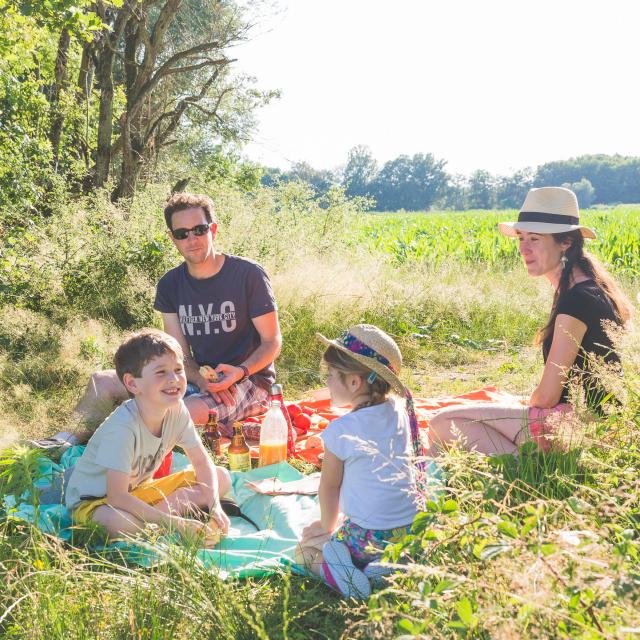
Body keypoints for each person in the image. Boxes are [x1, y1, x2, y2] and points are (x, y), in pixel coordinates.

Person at [429, 186, 633, 455]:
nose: (523, 248)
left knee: (441, 422)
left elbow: (547, 396)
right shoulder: (587, 287)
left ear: (566, 243)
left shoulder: (577, 300)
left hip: (579, 428)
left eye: (534, 239)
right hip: (595, 424)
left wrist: (529, 403)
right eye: (521, 238)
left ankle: (525, 469)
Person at [72, 192, 282, 438]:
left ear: (213, 229)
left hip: (250, 381)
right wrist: (200, 380)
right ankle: (63, 443)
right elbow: (179, 354)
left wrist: (240, 372)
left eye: (199, 230)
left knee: (175, 414)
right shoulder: (170, 284)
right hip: (198, 379)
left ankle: (112, 441)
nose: (192, 239)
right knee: (102, 382)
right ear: (172, 238)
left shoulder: (248, 274)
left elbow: (272, 342)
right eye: (182, 234)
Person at [296, 324, 426, 600]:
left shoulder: (341, 430)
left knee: (305, 550)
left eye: (331, 375)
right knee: (374, 536)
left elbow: (329, 487)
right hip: (409, 532)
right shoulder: (401, 413)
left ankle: (341, 575)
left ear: (354, 382)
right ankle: (392, 566)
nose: (327, 382)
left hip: (366, 537)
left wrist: (326, 527)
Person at [65, 329, 231, 540]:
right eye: (161, 372)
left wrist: (215, 506)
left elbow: (201, 461)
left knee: (221, 477)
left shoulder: (177, 409)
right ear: (133, 384)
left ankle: (156, 520)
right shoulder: (122, 428)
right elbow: (117, 497)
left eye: (178, 369)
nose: (174, 379)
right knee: (119, 523)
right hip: (97, 502)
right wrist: (176, 523)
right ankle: (164, 521)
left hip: (139, 492)